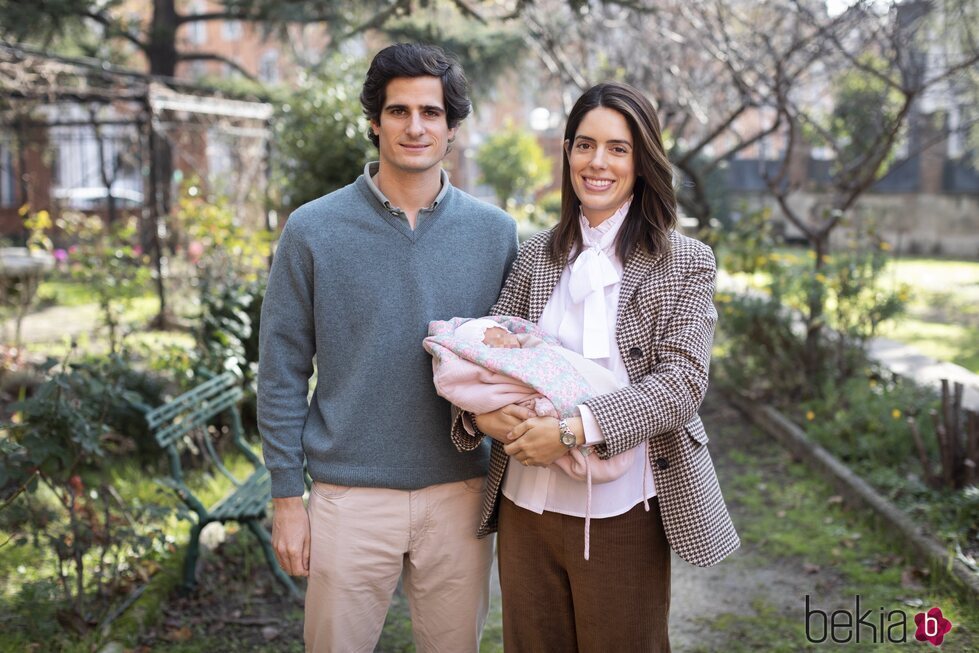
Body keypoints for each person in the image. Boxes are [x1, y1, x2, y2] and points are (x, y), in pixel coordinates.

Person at [450, 81, 741, 652]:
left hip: (624, 510)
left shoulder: (684, 261)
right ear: (567, 152)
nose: (597, 163)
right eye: (585, 145)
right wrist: (487, 421)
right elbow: (488, 355)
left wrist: (571, 431)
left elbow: (682, 383)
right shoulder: (538, 254)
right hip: (525, 505)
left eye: (618, 148)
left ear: (642, 159)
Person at [257, 43, 518, 653]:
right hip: (349, 497)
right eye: (398, 110)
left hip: (461, 492)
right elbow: (281, 371)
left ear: (452, 126)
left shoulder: (496, 234)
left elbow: (517, 360)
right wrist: (285, 497)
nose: (415, 126)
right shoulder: (313, 229)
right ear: (374, 120)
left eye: (431, 112)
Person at [425, 316, 643, 559]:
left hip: (621, 504)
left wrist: (573, 431)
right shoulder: (532, 276)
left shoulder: (676, 279)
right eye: (494, 343)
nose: (504, 344)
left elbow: (681, 383)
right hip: (521, 499)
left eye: (502, 336)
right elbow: (469, 374)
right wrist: (481, 418)